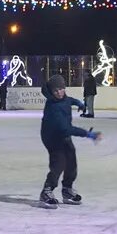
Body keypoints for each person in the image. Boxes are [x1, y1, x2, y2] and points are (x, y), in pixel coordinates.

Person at [38, 74, 102, 208]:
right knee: (59, 162)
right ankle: (47, 191)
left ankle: (67, 189)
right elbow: (66, 129)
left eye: (61, 89)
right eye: (56, 91)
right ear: (51, 92)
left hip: (62, 135)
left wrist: (78, 103)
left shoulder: (64, 98)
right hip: (52, 137)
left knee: (71, 159)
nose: (59, 93)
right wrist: (88, 134)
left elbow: (68, 100)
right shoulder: (53, 107)